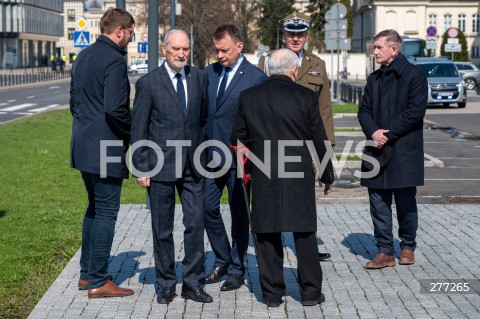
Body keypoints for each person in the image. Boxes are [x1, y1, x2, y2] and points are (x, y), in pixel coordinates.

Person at [231, 49, 334, 307]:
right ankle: (311, 292)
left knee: (266, 233)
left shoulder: (248, 97)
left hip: (264, 172)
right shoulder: (306, 97)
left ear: (268, 70)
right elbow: (319, 139)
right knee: (304, 233)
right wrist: (327, 174)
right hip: (298, 173)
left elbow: (237, 139)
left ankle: (273, 294)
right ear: (293, 71)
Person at [131, 29, 213, 304]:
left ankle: (192, 282)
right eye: (176, 48)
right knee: (162, 228)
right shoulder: (148, 83)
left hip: (193, 166)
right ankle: (166, 283)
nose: (181, 54)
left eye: (186, 49)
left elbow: (202, 119)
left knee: (195, 224)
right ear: (164, 49)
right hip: (160, 166)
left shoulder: (199, 78)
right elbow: (139, 128)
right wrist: (141, 168)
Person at [257, 12, 334, 262]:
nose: (295, 38)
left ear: (307, 36)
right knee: (272, 195)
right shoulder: (268, 61)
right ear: (284, 35)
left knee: (305, 199)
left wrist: (326, 152)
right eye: (291, 33)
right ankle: (274, 242)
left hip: (307, 145)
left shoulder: (317, 64)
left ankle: (307, 246)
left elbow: (324, 110)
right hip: (273, 143)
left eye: (300, 34)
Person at [70, 8, 135, 298]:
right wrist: (134, 136)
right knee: (107, 212)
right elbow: (116, 109)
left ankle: (87, 275)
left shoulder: (83, 56)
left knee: (94, 208)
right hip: (107, 145)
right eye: (131, 32)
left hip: (82, 143)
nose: (131, 38)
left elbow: (74, 102)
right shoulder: (115, 60)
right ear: (119, 30)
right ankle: (97, 281)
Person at [203, 24, 267, 291]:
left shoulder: (256, 77)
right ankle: (222, 258)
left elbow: (261, 121)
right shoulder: (209, 72)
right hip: (209, 155)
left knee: (240, 215)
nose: (220, 55)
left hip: (240, 158)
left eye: (224, 50)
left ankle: (238, 268)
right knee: (206, 207)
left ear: (239, 47)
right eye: (217, 50)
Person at [357, 29, 428, 269]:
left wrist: (387, 133)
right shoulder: (373, 78)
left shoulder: (415, 75)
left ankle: (407, 246)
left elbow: (415, 111)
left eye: (378, 47)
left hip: (403, 149)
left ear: (394, 49)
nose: (374, 51)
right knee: (377, 201)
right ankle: (384, 250)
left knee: (406, 202)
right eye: (374, 47)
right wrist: (373, 132)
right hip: (376, 148)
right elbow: (363, 110)